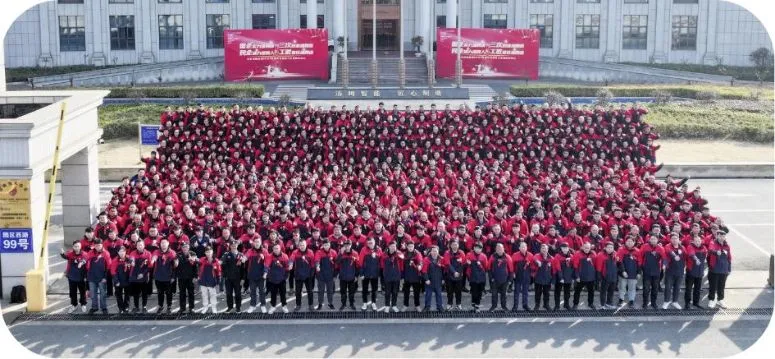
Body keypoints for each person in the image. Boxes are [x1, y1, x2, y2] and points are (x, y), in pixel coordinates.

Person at [60, 241, 88, 313]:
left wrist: (81, 263)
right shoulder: (70, 253)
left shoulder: (84, 254)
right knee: (73, 292)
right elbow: (66, 257)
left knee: (82, 292)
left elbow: (85, 260)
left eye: (78, 246)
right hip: (71, 277)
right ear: (73, 247)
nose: (77, 248)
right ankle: (74, 305)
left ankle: (83, 304)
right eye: (75, 246)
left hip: (81, 277)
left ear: (80, 246)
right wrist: (62, 253)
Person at [85, 239, 112, 314]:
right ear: (94, 245)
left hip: (101, 278)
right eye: (96, 245)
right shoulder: (90, 252)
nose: (97, 247)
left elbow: (109, 267)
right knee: (93, 294)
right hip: (91, 277)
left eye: (99, 245)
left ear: (102, 245)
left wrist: (105, 277)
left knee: (103, 294)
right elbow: (86, 260)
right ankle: (94, 307)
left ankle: (104, 307)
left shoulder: (106, 253)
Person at [289, 239, 316, 311]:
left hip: (308, 275)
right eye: (300, 245)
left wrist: (312, 274)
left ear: (306, 245)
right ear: (298, 246)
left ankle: (311, 305)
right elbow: (291, 259)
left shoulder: (310, 252)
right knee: (298, 292)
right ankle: (298, 305)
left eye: (303, 245)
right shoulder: (295, 252)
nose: (302, 246)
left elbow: (313, 264)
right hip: (298, 275)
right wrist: (291, 264)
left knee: (310, 291)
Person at [152, 238, 177, 313]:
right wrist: (153, 259)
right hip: (158, 276)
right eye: (162, 243)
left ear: (168, 243)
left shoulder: (172, 253)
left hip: (168, 277)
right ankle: (160, 306)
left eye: (165, 243)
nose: (163, 244)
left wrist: (173, 277)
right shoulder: (156, 252)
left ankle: (169, 306)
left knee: (169, 293)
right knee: (160, 293)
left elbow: (175, 266)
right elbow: (154, 257)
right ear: (160, 244)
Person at [707, 231, 732, 309]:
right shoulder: (713, 243)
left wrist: (729, 268)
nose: (722, 238)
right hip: (714, 269)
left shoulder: (727, 245)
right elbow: (710, 250)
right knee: (713, 286)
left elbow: (729, 257)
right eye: (720, 236)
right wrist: (716, 252)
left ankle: (720, 300)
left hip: (724, 270)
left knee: (721, 286)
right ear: (717, 236)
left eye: (723, 236)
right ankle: (711, 300)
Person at [640, 235, 665, 309]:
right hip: (647, 270)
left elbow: (664, 258)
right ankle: (645, 303)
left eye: (655, 239)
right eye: (652, 239)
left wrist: (664, 265)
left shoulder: (660, 248)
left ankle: (653, 302)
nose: (653, 240)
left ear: (657, 240)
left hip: (656, 271)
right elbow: (640, 256)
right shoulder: (645, 246)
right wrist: (641, 266)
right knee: (646, 288)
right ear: (649, 239)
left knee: (655, 288)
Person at [265, 242, 290, 314]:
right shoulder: (269, 256)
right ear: (272, 249)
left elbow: (287, 267)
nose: (276, 250)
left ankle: (284, 306)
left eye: (277, 248)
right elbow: (267, 265)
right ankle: (273, 306)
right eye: (274, 249)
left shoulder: (285, 256)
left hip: (281, 279)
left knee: (283, 294)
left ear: (280, 248)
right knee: (273, 294)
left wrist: (285, 277)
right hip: (272, 279)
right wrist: (267, 274)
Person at [662, 233, 686, 309]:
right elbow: (669, 251)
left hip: (680, 271)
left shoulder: (682, 247)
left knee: (677, 287)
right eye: (673, 239)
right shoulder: (668, 246)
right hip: (670, 271)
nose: (674, 240)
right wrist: (675, 256)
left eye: (676, 238)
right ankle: (666, 301)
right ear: (670, 240)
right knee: (668, 287)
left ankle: (675, 301)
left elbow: (686, 255)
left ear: (679, 239)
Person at [245, 238, 269, 313]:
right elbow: (246, 257)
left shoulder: (264, 251)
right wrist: (243, 259)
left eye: (258, 242)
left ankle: (263, 305)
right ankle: (252, 305)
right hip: (252, 274)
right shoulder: (250, 250)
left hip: (261, 275)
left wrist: (264, 258)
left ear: (261, 242)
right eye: (255, 242)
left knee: (262, 291)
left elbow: (268, 262)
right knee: (253, 291)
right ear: (253, 243)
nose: (256, 243)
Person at [684, 235, 708, 309]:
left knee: (697, 289)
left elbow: (705, 256)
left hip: (699, 272)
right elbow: (691, 254)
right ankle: (687, 304)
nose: (697, 242)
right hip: (691, 271)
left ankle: (696, 302)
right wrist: (696, 259)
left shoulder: (703, 248)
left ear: (701, 241)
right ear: (693, 241)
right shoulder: (690, 247)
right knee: (688, 289)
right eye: (696, 241)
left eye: (699, 241)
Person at [221, 240, 245, 312]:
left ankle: (238, 307)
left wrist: (243, 278)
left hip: (238, 278)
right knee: (229, 294)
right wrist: (225, 275)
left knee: (238, 293)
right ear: (230, 246)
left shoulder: (241, 255)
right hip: (228, 278)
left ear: (237, 246)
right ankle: (230, 307)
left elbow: (244, 268)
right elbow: (222, 264)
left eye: (235, 245)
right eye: (232, 245)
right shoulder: (226, 254)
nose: (234, 246)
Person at [128, 241, 152, 313]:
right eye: (138, 245)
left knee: (144, 293)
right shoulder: (133, 253)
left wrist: (143, 274)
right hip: (134, 276)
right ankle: (136, 307)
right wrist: (131, 262)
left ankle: (144, 306)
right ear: (136, 246)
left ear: (144, 246)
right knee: (136, 293)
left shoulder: (148, 253)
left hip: (144, 276)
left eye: (141, 245)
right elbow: (131, 258)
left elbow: (150, 266)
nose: (139, 246)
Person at [616, 236, 640, 308]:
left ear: (634, 242)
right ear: (625, 242)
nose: (629, 243)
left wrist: (639, 272)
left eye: (631, 241)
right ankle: (621, 299)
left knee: (632, 288)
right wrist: (623, 271)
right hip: (623, 273)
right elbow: (619, 261)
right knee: (622, 287)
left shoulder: (637, 251)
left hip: (633, 274)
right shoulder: (621, 249)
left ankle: (631, 300)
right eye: (628, 241)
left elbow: (639, 263)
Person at [572, 242, 597, 310]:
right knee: (577, 291)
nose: (586, 249)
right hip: (581, 277)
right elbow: (575, 266)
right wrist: (577, 276)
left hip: (591, 277)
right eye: (585, 248)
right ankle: (575, 304)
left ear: (590, 248)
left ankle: (590, 303)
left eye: (588, 248)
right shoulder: (578, 254)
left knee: (591, 292)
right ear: (582, 247)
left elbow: (595, 265)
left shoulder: (593, 254)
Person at [359, 238, 382, 311]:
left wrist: (379, 272)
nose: (370, 244)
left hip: (375, 273)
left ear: (374, 242)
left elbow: (381, 261)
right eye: (368, 243)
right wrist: (361, 273)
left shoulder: (378, 249)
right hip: (366, 273)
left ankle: (373, 302)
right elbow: (361, 262)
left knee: (374, 289)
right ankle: (365, 302)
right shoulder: (363, 249)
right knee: (365, 289)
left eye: (371, 243)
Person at [489, 243, 513, 311]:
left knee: (504, 295)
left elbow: (511, 270)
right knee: (494, 295)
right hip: (495, 280)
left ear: (503, 249)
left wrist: (510, 280)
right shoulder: (492, 257)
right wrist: (491, 278)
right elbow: (489, 269)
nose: (499, 250)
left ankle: (504, 307)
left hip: (505, 280)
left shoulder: (507, 257)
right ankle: (493, 306)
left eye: (501, 248)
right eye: (498, 249)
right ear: (496, 250)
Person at [314, 239, 338, 310]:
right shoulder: (319, 252)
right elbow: (317, 260)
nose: (326, 246)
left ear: (329, 244)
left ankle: (330, 303)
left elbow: (336, 264)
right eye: (325, 245)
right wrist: (317, 266)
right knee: (320, 291)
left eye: (327, 245)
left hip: (330, 275)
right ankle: (320, 304)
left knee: (330, 291)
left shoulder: (333, 252)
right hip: (321, 275)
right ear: (322, 245)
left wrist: (335, 275)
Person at [443, 240, 466, 311]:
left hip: (459, 275)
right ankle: (449, 304)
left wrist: (458, 272)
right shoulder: (447, 253)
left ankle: (458, 304)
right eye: (453, 245)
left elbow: (463, 264)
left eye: (456, 244)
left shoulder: (461, 253)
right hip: (449, 275)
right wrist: (454, 272)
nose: (454, 246)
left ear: (458, 245)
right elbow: (448, 264)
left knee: (458, 291)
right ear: (450, 245)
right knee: (449, 291)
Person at [381, 241, 404, 312]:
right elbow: (382, 265)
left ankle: (394, 305)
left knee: (395, 292)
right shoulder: (384, 254)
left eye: (394, 246)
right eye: (391, 246)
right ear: (388, 247)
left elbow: (402, 261)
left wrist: (401, 274)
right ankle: (387, 305)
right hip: (387, 276)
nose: (393, 248)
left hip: (396, 276)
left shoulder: (399, 253)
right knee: (387, 292)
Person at [175, 242, 198, 314]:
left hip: (190, 277)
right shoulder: (178, 254)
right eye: (183, 247)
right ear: (181, 248)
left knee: (191, 293)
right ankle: (182, 308)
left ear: (189, 247)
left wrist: (195, 276)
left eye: (186, 247)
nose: (185, 248)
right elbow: (176, 265)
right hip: (181, 277)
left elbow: (195, 266)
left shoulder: (193, 254)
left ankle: (192, 308)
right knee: (182, 293)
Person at [337, 240, 360, 311]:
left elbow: (358, 265)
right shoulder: (341, 253)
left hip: (352, 277)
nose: (347, 247)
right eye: (345, 245)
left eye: (348, 245)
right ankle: (343, 304)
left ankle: (351, 304)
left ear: (351, 245)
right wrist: (340, 254)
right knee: (343, 292)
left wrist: (356, 276)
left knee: (351, 292)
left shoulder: (355, 253)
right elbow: (337, 262)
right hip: (343, 277)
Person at [595, 242, 619, 310]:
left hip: (613, 276)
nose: (610, 249)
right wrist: (599, 278)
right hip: (605, 277)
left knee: (611, 291)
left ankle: (609, 303)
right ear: (605, 248)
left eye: (611, 248)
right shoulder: (600, 255)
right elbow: (598, 268)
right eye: (608, 247)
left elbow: (617, 263)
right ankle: (602, 304)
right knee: (603, 291)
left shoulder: (615, 254)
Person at [198, 246, 221, 314]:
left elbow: (219, 271)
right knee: (204, 294)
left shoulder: (216, 260)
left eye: (210, 252)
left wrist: (218, 279)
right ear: (205, 253)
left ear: (212, 252)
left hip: (211, 279)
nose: (208, 253)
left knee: (213, 294)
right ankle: (205, 307)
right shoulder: (202, 259)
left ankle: (214, 307)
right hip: (203, 278)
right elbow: (197, 262)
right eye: (207, 252)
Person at [551, 242, 575, 311]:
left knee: (567, 292)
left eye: (566, 248)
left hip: (568, 277)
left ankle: (566, 304)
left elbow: (573, 267)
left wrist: (573, 277)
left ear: (568, 248)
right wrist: (561, 277)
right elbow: (558, 267)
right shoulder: (557, 256)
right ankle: (557, 305)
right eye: (563, 248)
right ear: (561, 248)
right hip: (559, 277)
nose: (565, 249)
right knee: (557, 292)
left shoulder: (571, 256)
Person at [466, 242, 488, 312]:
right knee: (474, 292)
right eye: (476, 248)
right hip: (473, 277)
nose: (478, 249)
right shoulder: (469, 255)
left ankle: (477, 305)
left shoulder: (483, 256)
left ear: (481, 249)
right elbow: (466, 265)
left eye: (480, 248)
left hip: (481, 277)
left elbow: (486, 267)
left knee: (479, 292)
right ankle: (474, 303)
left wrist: (480, 265)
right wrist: (468, 264)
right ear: (474, 248)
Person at [422, 246, 445, 312]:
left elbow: (444, 270)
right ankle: (427, 307)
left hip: (438, 280)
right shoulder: (426, 259)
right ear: (430, 252)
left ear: (438, 252)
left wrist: (443, 279)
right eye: (433, 251)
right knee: (428, 294)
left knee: (439, 294)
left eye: (435, 251)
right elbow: (424, 271)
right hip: (429, 280)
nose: (434, 252)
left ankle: (440, 307)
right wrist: (426, 279)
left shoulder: (441, 259)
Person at [512, 241, 533, 311]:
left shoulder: (530, 255)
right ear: (519, 248)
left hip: (527, 276)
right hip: (518, 275)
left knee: (525, 292)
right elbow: (512, 265)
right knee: (516, 292)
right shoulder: (515, 255)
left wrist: (532, 274)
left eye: (524, 247)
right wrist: (513, 273)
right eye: (522, 247)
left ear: (527, 247)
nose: (523, 248)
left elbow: (533, 266)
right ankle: (515, 306)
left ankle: (525, 305)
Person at [110, 245, 132, 314]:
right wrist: (116, 281)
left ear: (125, 252)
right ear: (118, 252)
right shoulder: (115, 260)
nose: (122, 253)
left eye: (123, 251)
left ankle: (126, 307)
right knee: (118, 295)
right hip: (118, 281)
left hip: (127, 280)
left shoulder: (129, 259)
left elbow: (132, 269)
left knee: (127, 295)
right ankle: (120, 308)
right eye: (120, 251)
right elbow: (113, 271)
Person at [532, 243, 553, 311]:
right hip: (538, 278)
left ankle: (546, 304)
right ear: (540, 249)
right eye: (543, 248)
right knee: (537, 293)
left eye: (545, 248)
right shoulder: (537, 256)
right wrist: (537, 261)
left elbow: (554, 269)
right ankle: (537, 305)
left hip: (547, 279)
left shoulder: (551, 258)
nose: (544, 250)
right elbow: (534, 258)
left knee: (547, 293)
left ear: (548, 249)